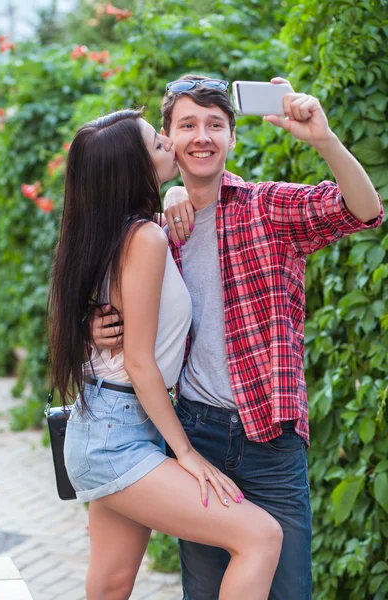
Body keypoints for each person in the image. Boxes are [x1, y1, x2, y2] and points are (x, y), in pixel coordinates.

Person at [92, 76, 383, 600]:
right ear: (167, 139)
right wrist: (96, 323)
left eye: (215, 125)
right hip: (193, 432)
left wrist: (324, 140)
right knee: (204, 592)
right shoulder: (155, 226)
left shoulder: (266, 207)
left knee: (289, 590)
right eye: (187, 125)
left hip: (269, 438)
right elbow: (101, 300)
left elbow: (362, 210)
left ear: (232, 139)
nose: (201, 136)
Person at [48, 108, 283, 600]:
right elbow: (139, 362)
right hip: (118, 432)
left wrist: (175, 192)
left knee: (111, 585)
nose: (172, 146)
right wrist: (188, 455)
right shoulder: (145, 238)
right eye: (159, 143)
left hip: (105, 423)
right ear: (134, 168)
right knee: (260, 536)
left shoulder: (112, 230)